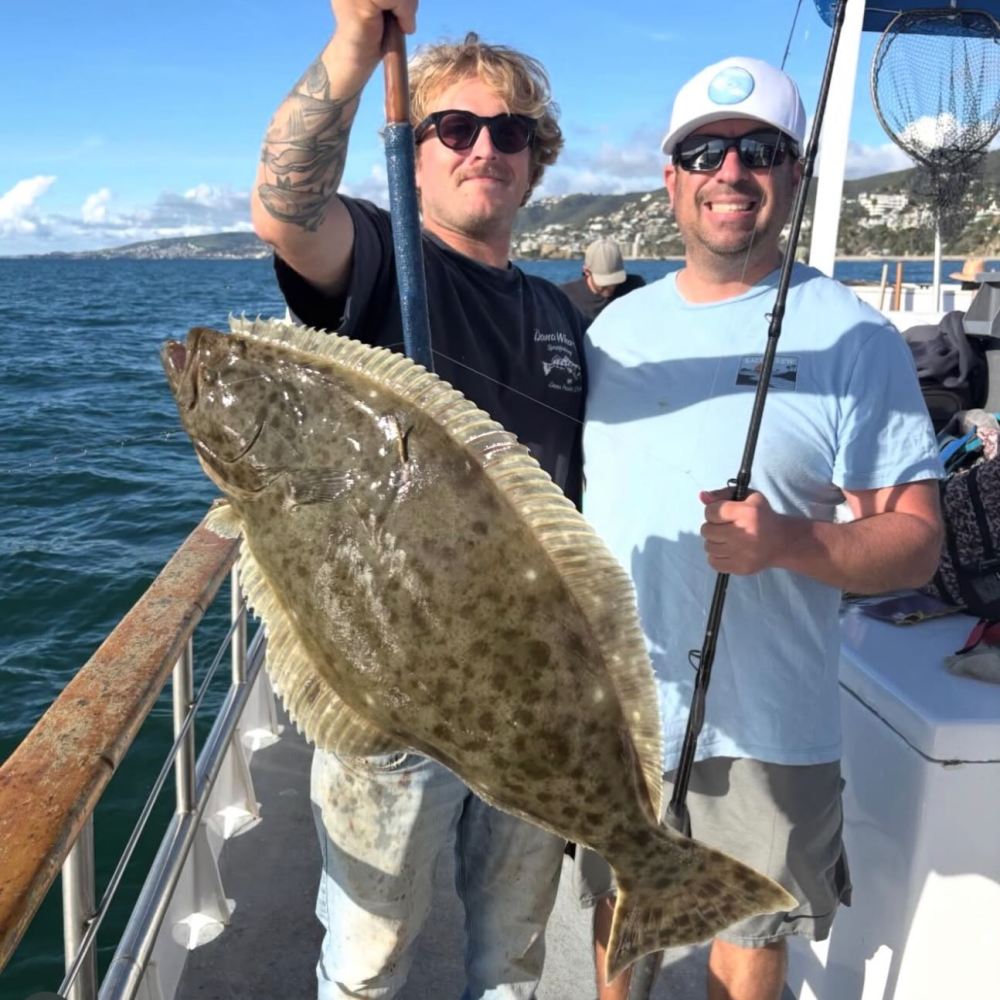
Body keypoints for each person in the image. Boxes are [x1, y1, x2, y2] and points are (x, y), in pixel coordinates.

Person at [579, 56, 944, 1000]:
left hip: (772, 722)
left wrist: (791, 544)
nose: (729, 171)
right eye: (703, 151)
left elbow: (917, 542)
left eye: (760, 150)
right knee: (618, 918)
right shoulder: (611, 334)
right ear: (670, 180)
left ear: (793, 174)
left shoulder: (857, 339)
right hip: (620, 711)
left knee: (750, 938)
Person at [250, 3, 586, 998]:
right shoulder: (384, 263)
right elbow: (286, 207)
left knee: (514, 958)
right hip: (396, 694)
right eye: (454, 127)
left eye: (509, 132)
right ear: (419, 151)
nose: (485, 148)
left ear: (534, 160)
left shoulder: (555, 309)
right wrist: (356, 47)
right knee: (368, 960)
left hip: (532, 692)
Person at [561, 236, 647, 321]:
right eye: (604, 283)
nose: (611, 287)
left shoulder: (635, 287)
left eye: (615, 281)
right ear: (587, 272)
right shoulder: (566, 296)